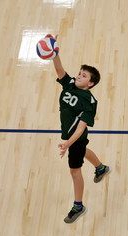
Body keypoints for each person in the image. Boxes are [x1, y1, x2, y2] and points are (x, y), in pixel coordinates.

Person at [47, 34, 111, 224]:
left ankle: (78, 206)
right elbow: (59, 68)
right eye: (79, 73)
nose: (78, 76)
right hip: (72, 137)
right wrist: (54, 51)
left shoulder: (89, 102)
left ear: (90, 84)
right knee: (83, 150)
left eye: (83, 76)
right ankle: (101, 168)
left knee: (74, 171)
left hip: (75, 137)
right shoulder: (69, 84)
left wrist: (67, 143)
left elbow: (82, 127)